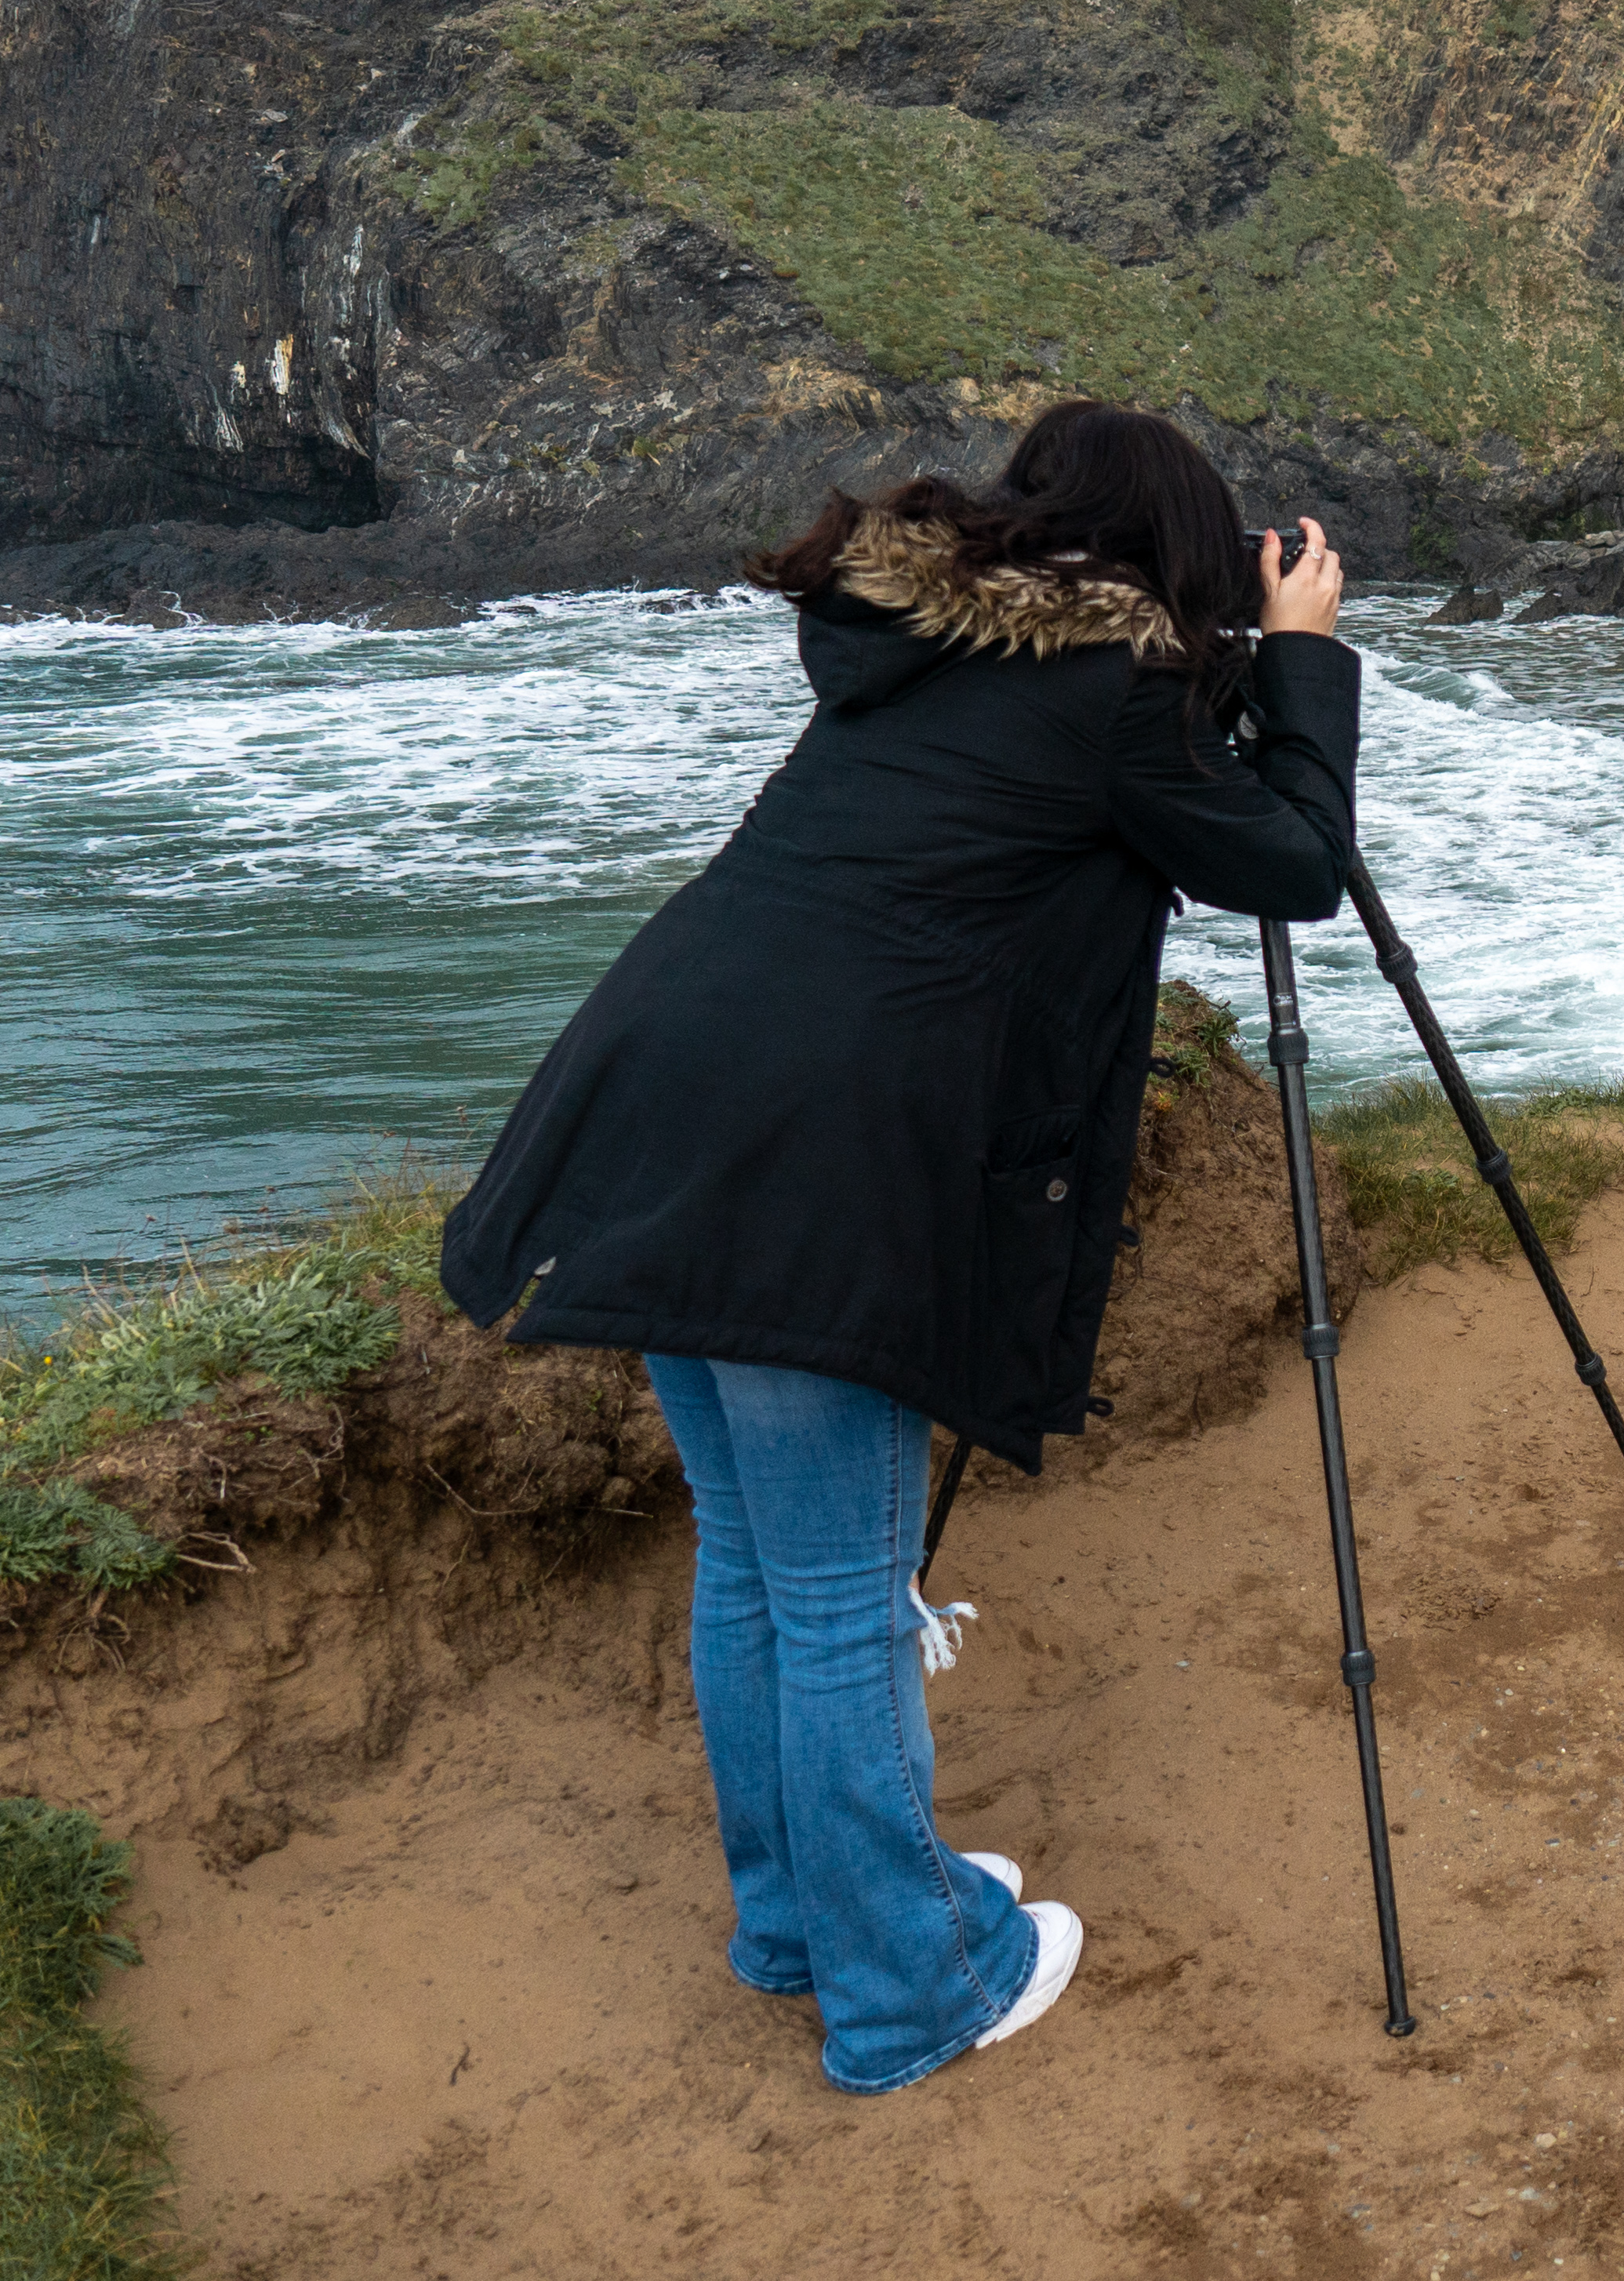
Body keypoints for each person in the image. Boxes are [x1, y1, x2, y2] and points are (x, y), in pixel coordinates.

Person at [438, 401, 1357, 2093]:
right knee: (844, 1599)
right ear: (1176, 548)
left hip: (657, 1090)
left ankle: (807, 1922)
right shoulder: (1119, 699)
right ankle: (909, 1992)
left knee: (752, 1560)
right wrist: (1298, 655)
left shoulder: (913, 647)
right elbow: (1297, 864)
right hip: (816, 1163)